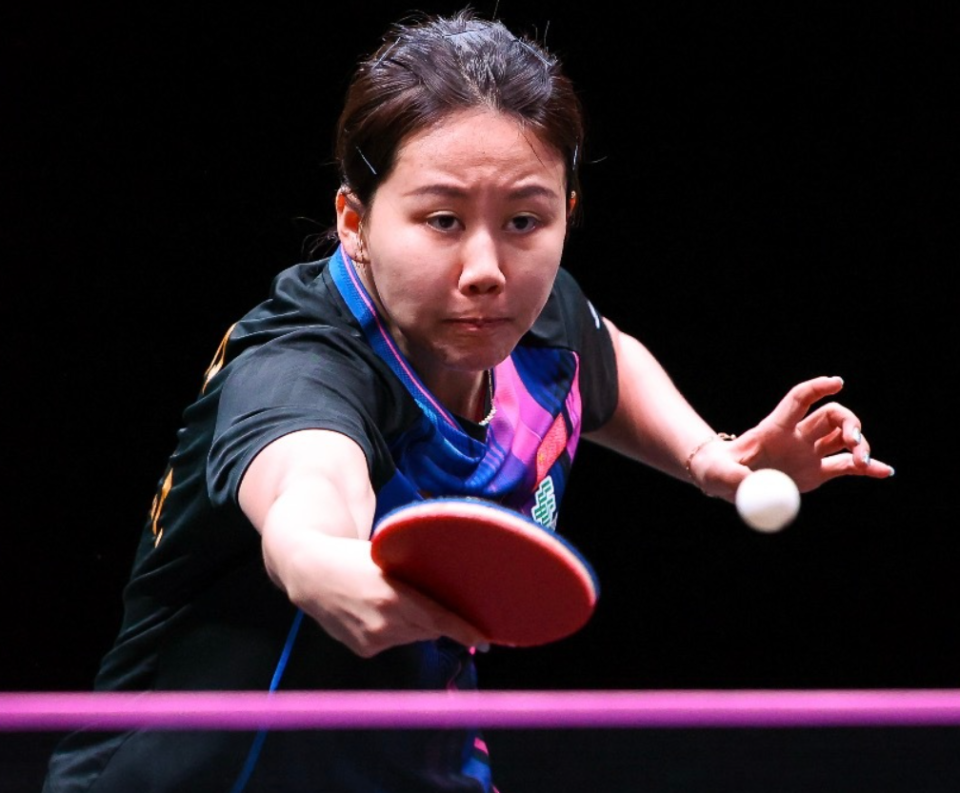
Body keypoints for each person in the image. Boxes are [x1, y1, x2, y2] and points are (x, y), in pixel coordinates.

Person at [41, 8, 894, 793]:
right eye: (442, 220)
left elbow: (601, 353)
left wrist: (710, 455)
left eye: (525, 221)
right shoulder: (301, 363)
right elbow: (306, 481)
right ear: (354, 222)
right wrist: (316, 559)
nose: (487, 269)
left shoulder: (532, 317)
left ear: (565, 212)